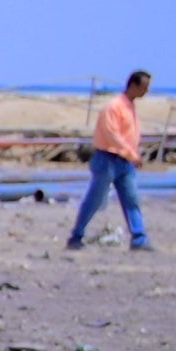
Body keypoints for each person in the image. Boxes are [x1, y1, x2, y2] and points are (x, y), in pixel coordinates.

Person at [68, 70, 153, 250]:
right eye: (144, 87)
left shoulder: (130, 106)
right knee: (94, 200)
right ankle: (76, 236)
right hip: (108, 158)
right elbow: (112, 134)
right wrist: (131, 154)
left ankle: (139, 238)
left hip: (124, 161)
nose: (146, 91)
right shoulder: (114, 107)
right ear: (134, 85)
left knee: (132, 199)